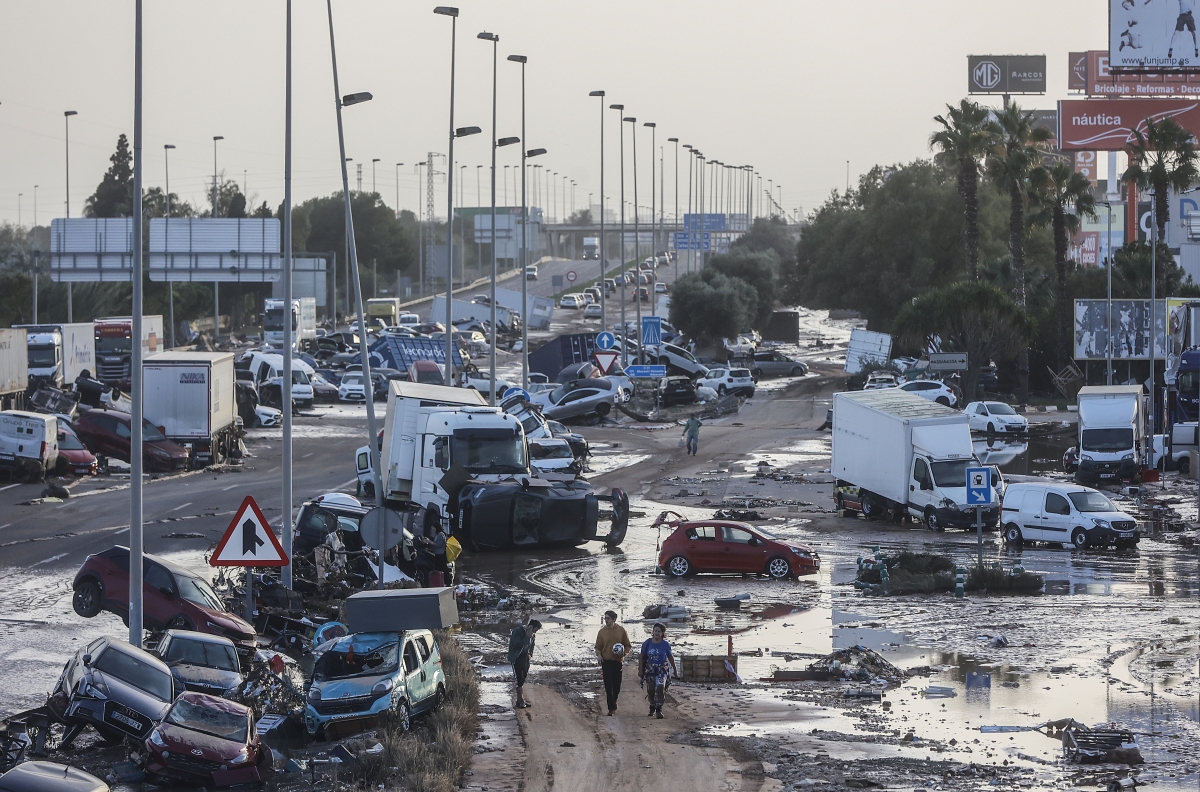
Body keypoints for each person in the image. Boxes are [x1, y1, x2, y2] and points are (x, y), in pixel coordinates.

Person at [594, 610, 632, 716]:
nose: (606, 620)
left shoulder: (621, 630)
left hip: (617, 661)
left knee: (617, 685)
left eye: (608, 618)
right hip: (606, 661)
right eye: (605, 618)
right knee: (608, 685)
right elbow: (598, 647)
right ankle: (611, 708)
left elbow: (628, 645)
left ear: (614, 619)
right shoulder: (601, 632)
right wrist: (599, 655)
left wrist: (623, 653)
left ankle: (614, 700)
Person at [638, 622, 678, 719]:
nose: (656, 633)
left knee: (660, 687)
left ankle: (659, 709)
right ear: (652, 632)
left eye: (659, 631)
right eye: (655, 631)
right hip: (650, 669)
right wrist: (640, 670)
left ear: (662, 633)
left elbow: (670, 657)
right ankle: (652, 705)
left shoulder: (665, 644)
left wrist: (675, 669)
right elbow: (642, 656)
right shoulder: (647, 643)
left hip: (662, 669)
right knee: (651, 690)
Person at [508, 618, 541, 709]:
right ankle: (521, 700)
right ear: (530, 627)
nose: (535, 632)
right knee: (518, 679)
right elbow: (517, 644)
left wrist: (530, 653)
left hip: (525, 659)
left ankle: (519, 700)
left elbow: (532, 645)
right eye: (535, 630)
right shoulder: (517, 631)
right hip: (516, 658)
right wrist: (527, 637)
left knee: (523, 678)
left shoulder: (532, 635)